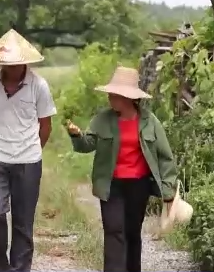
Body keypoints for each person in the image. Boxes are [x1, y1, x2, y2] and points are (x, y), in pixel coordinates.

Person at [64, 65, 178, 272]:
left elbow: (165, 157)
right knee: (114, 231)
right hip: (111, 184)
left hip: (139, 185)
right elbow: (86, 146)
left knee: (132, 233)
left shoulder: (149, 122)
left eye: (114, 95)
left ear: (128, 97)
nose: (110, 98)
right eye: (110, 94)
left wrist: (169, 190)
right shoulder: (102, 120)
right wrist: (76, 135)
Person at [0, 29, 57, 272]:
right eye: (7, 63)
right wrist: (4, 140)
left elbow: (45, 126)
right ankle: (0, 268)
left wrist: (28, 149)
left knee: (23, 224)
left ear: (25, 62)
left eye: (17, 63)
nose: (12, 67)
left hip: (29, 161)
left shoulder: (39, 86)